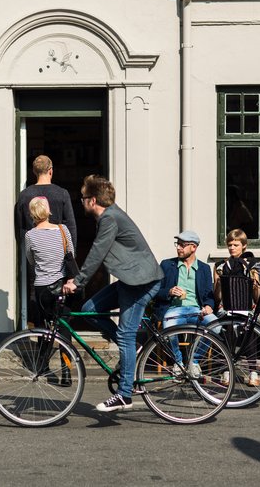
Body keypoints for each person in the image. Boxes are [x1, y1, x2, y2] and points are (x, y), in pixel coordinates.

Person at [62, 175, 163, 412]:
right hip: (131, 280)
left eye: (83, 198)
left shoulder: (109, 218)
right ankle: (134, 346)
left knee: (126, 335)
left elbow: (98, 251)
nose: (81, 202)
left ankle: (124, 394)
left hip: (141, 282)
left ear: (93, 200)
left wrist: (78, 281)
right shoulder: (109, 217)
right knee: (89, 311)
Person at [15, 155, 77, 327]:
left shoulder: (24, 195)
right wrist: (70, 258)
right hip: (61, 265)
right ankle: (66, 350)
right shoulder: (62, 194)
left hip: (37, 263)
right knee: (62, 312)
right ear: (51, 171)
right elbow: (71, 227)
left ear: (34, 172)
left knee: (39, 309)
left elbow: (21, 230)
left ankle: (42, 345)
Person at [154, 230, 216, 378]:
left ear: (193, 247)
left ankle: (193, 362)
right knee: (169, 327)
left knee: (216, 326)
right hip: (175, 309)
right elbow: (155, 291)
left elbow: (209, 295)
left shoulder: (204, 268)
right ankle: (178, 363)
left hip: (197, 310)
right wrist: (169, 291)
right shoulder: (167, 265)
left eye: (182, 245)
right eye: (178, 244)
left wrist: (208, 306)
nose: (178, 248)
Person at [213, 228, 260, 387]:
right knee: (227, 330)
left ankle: (253, 372)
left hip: (246, 308)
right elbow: (217, 297)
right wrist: (218, 284)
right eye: (230, 245)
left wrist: (255, 285)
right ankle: (226, 370)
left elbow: (257, 297)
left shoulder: (251, 265)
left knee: (250, 331)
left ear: (244, 246)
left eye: (236, 245)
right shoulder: (220, 266)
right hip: (227, 308)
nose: (232, 248)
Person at [24, 197, 74, 329]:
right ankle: (65, 350)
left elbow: (31, 260)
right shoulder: (63, 230)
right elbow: (71, 255)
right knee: (64, 324)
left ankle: (43, 350)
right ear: (48, 211)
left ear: (32, 213)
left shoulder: (30, 235)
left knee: (43, 327)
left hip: (42, 288)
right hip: (62, 285)